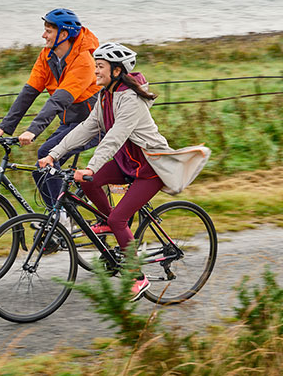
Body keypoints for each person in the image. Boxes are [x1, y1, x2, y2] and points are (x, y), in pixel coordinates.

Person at [38, 42, 211, 301]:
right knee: (90, 184)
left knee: (119, 218)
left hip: (149, 169)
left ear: (117, 71)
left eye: (100, 67)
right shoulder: (106, 95)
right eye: (96, 65)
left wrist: (90, 166)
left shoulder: (131, 100)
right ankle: (108, 223)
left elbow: (115, 137)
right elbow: (87, 127)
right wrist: (54, 154)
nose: (95, 71)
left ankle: (137, 277)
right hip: (126, 163)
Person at [0, 8, 100, 208]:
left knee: (46, 153)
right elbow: (29, 92)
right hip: (71, 122)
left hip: (94, 123)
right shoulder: (48, 55)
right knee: (41, 170)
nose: (43, 35)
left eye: (49, 31)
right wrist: (4, 127)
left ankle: (61, 218)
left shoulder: (84, 61)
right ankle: (54, 218)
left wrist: (32, 131)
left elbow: (58, 100)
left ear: (64, 34)